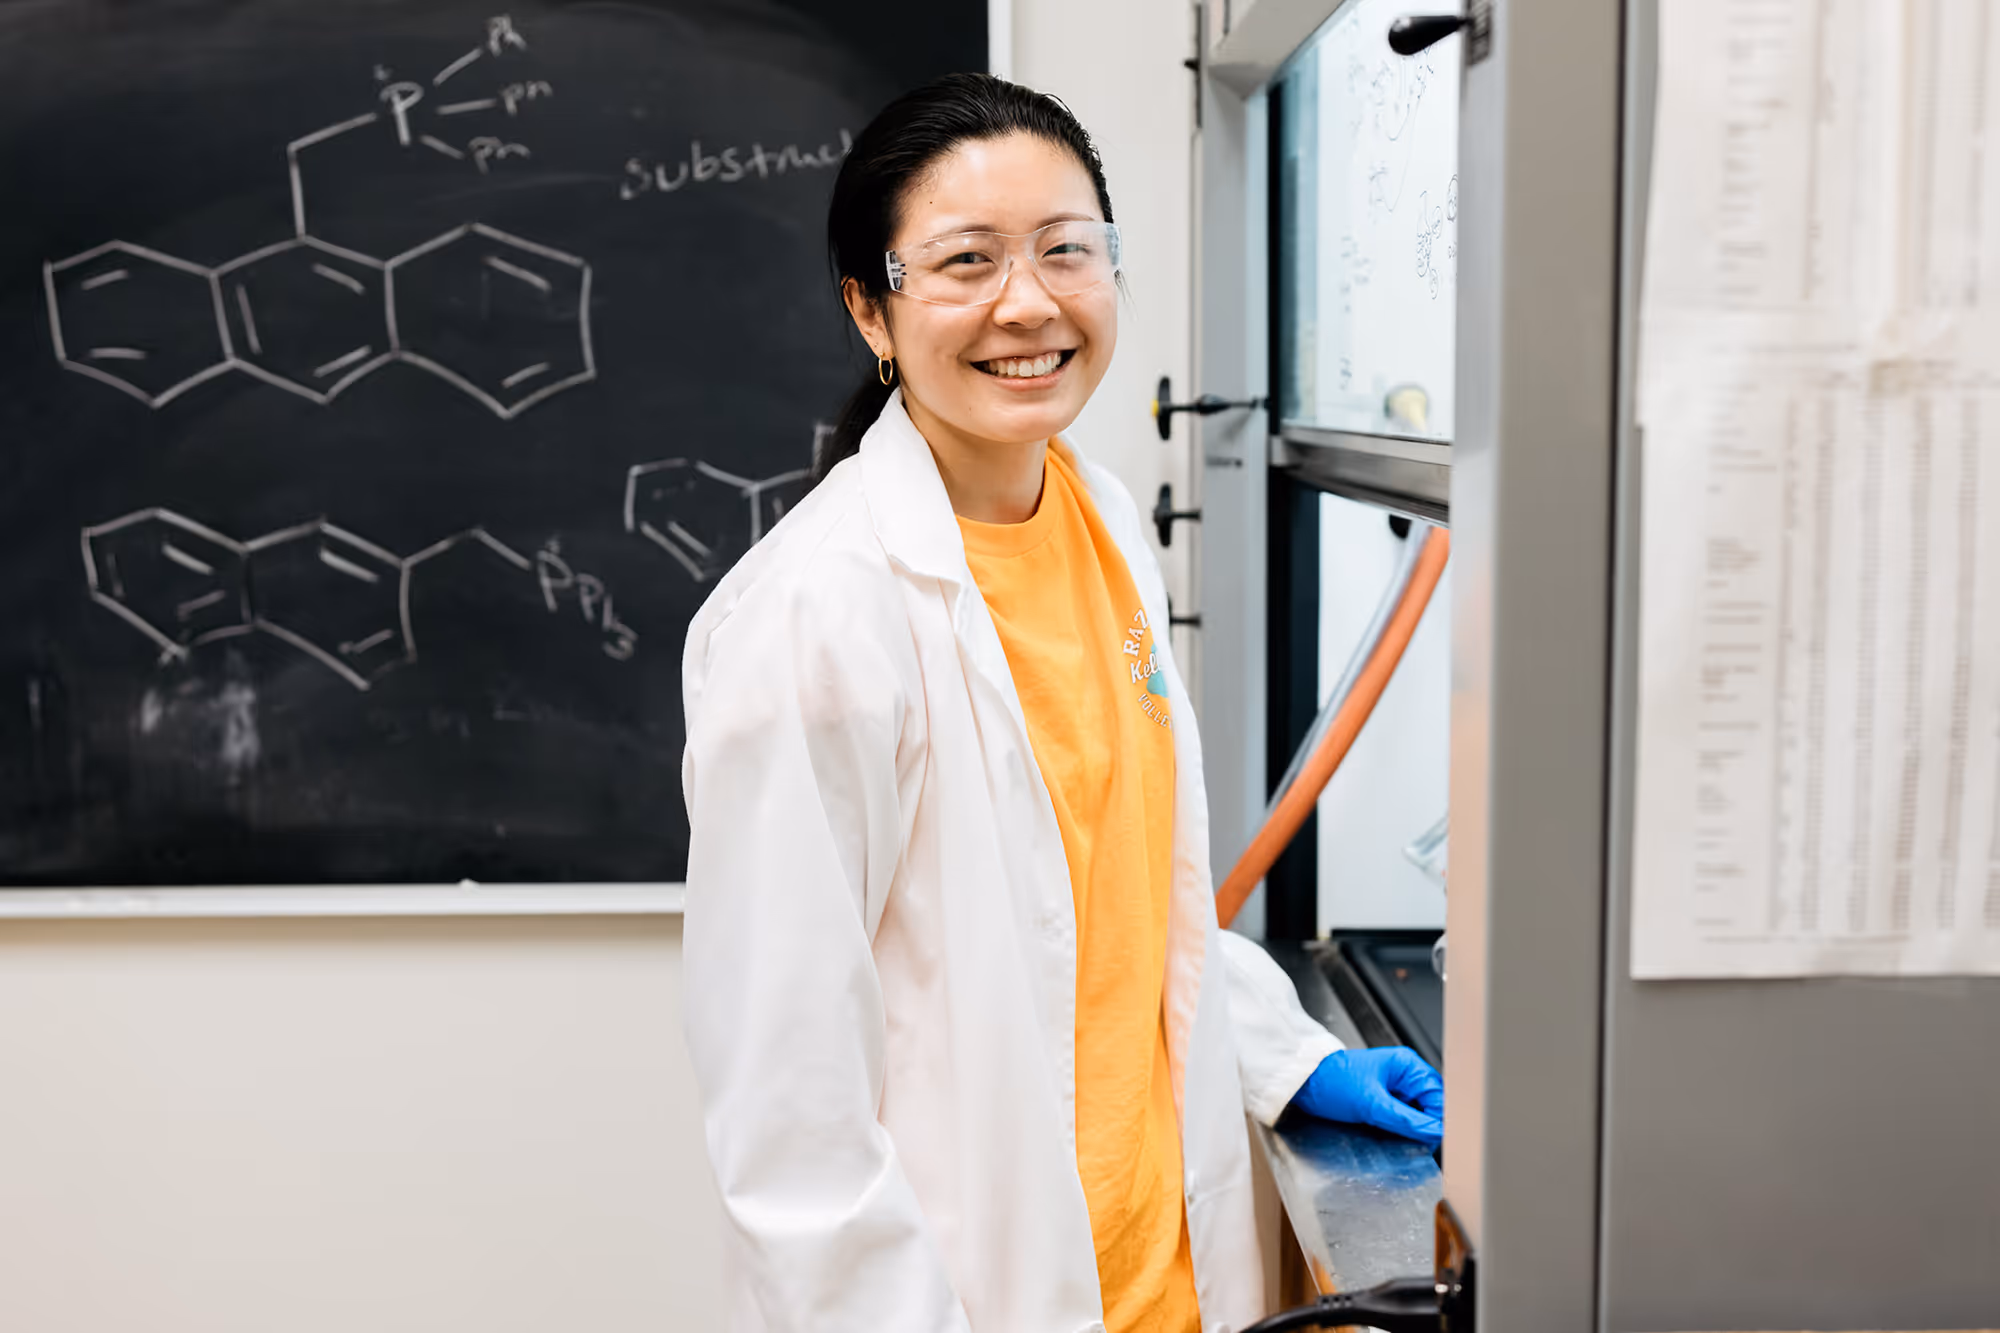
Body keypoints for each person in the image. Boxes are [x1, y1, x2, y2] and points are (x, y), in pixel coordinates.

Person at [680, 73, 1443, 1333]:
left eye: (1063, 250)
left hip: (1171, 1282)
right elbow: (786, 1103)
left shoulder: (1096, 522)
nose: (1026, 303)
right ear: (872, 310)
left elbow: (1118, 898)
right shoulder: (815, 620)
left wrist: (1288, 1055)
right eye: (965, 261)